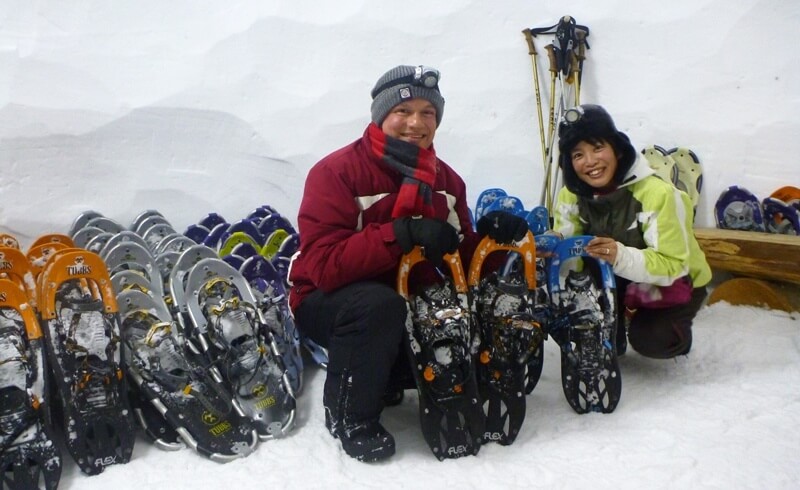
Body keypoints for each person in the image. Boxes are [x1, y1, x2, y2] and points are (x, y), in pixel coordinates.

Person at [288, 65, 527, 462]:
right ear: (381, 115)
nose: (416, 123)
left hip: (403, 298)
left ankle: (393, 374)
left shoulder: (445, 181)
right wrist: (401, 233)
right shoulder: (337, 172)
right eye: (404, 111)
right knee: (379, 306)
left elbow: (460, 260)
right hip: (331, 301)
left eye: (428, 113)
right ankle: (351, 415)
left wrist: (492, 238)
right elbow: (324, 266)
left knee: (445, 312)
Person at [552, 104, 712, 359]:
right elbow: (570, 257)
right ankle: (618, 318)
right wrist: (551, 252)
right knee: (597, 332)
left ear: (616, 148)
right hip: (619, 273)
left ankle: (669, 324)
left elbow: (674, 265)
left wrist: (619, 256)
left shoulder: (657, 194)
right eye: (578, 154)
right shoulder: (570, 195)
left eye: (597, 147)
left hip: (678, 278)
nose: (590, 162)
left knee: (653, 338)